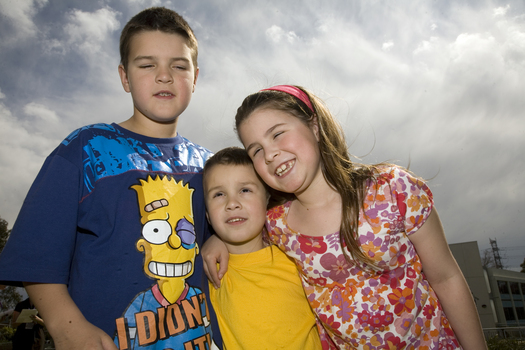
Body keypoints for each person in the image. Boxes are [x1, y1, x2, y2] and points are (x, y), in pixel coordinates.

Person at [0, 7, 221, 350]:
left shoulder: (210, 166)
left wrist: (223, 238)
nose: (164, 76)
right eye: (147, 65)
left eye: (179, 66)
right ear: (125, 77)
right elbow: (38, 254)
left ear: (195, 77)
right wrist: (65, 327)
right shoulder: (87, 148)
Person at [202, 85, 487, 349]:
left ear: (314, 126)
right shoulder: (276, 224)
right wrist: (214, 238)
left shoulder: (391, 188)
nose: (270, 154)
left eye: (277, 134)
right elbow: (241, 228)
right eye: (256, 150)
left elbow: (446, 277)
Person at [202, 146, 322, 349]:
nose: (232, 203)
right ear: (207, 215)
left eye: (245, 190)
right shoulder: (207, 272)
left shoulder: (298, 259)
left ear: (267, 199)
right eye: (219, 194)